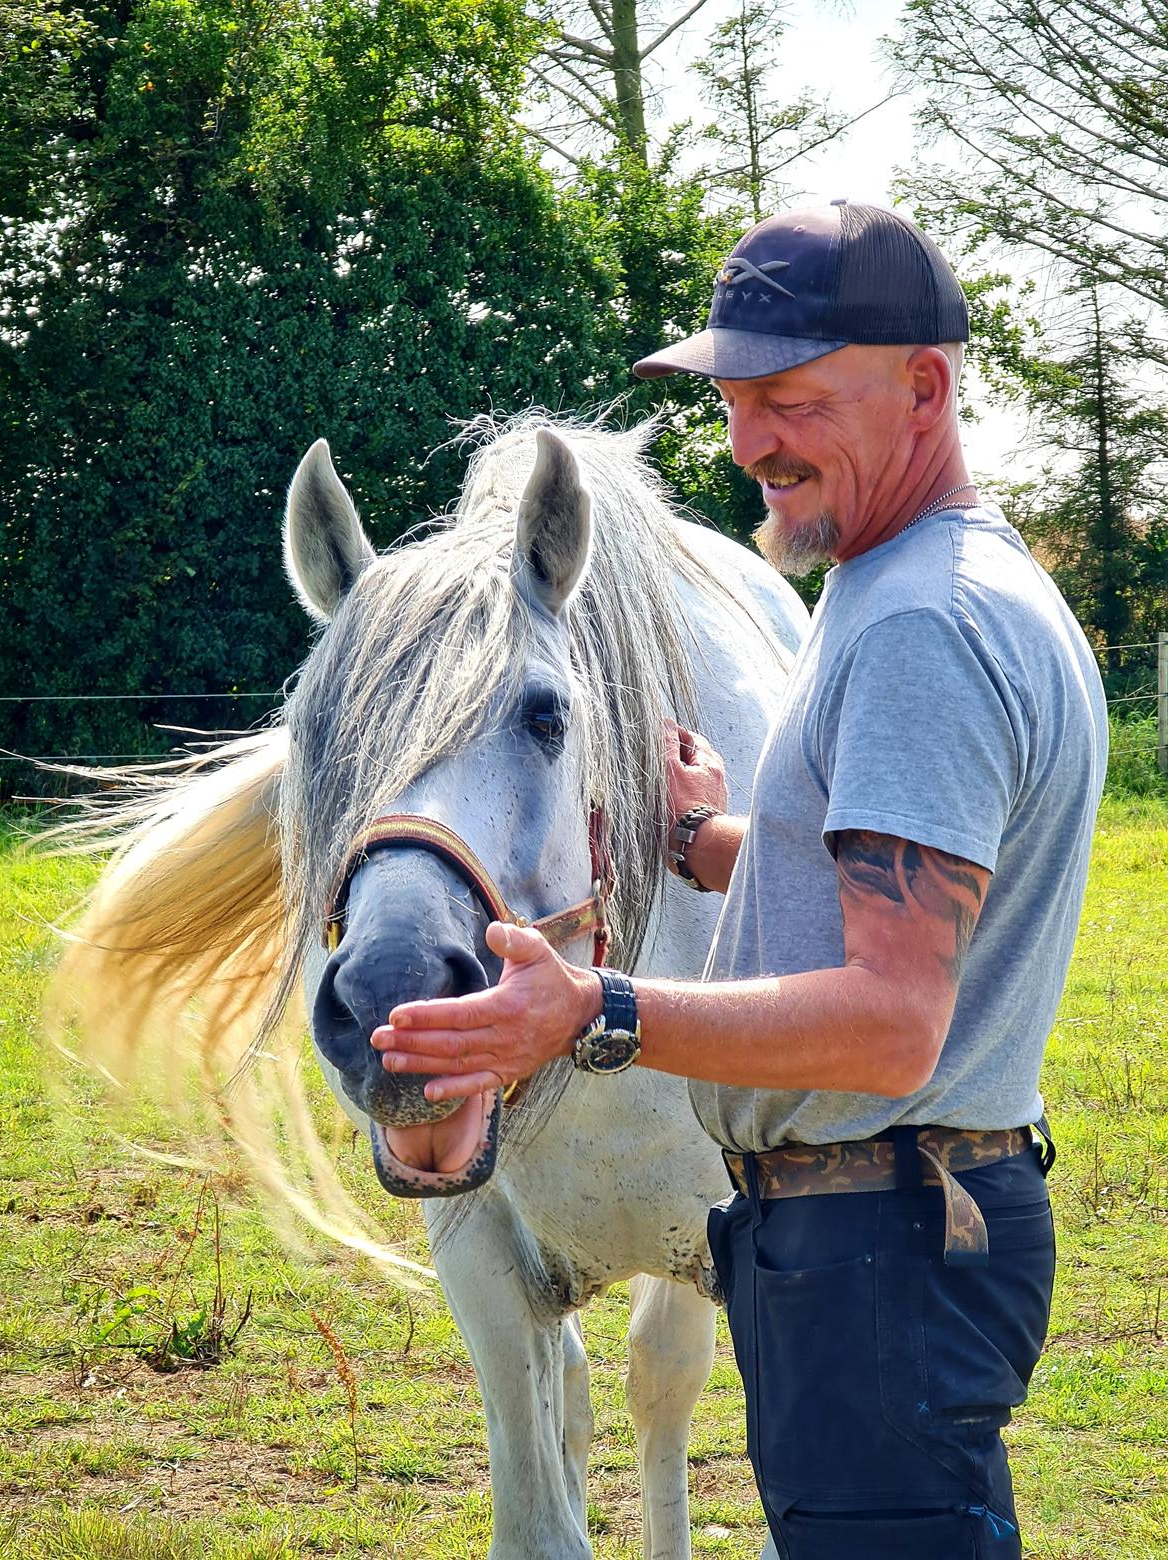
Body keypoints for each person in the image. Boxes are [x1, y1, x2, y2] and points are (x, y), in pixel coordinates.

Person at [371, 201, 1108, 1558]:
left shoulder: (917, 631)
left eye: (790, 398)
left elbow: (890, 1023)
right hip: (892, 1224)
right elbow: (901, 893)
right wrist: (710, 840)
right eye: (729, 402)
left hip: (881, 1236)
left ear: (926, 385)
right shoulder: (937, 587)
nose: (749, 441)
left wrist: (588, 1011)